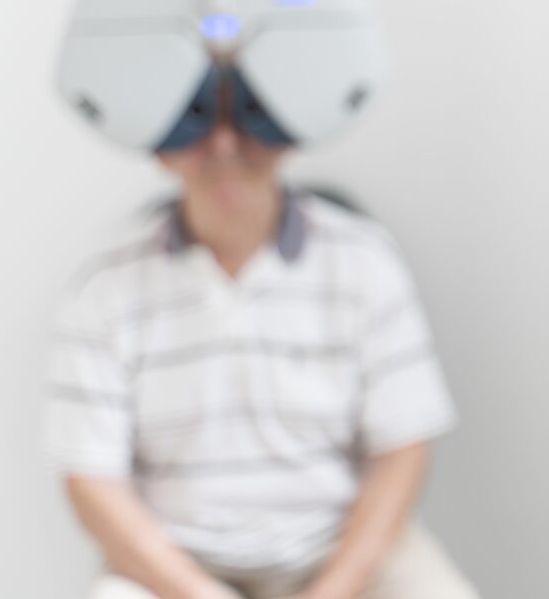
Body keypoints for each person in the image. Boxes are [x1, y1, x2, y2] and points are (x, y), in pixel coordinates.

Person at [44, 72, 477, 599]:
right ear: (162, 144)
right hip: (179, 563)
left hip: (342, 551)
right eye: (198, 117)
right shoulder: (103, 284)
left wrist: (335, 589)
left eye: (248, 114)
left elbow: (402, 450)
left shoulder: (364, 261)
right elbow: (92, 480)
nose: (225, 143)